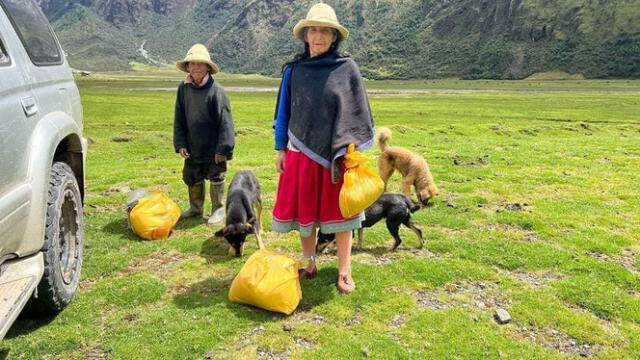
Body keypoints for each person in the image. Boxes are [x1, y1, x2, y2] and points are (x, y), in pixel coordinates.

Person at [271, 3, 375, 294]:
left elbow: (357, 112)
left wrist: (352, 153)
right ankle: (310, 262)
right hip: (299, 152)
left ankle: (344, 270)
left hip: (337, 154)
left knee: (341, 213)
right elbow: (283, 112)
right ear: (305, 35)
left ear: (333, 37)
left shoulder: (346, 69)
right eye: (313, 30)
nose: (318, 36)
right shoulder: (294, 71)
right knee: (306, 211)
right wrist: (281, 149)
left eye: (324, 31)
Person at [174, 44, 235, 225]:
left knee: (216, 176)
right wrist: (181, 143)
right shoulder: (183, 89)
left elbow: (226, 122)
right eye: (192, 64)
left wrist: (223, 148)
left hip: (214, 145)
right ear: (187, 67)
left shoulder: (217, 91)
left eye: (200, 64)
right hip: (193, 143)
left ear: (208, 67)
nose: (196, 68)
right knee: (193, 175)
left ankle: (217, 209)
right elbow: (180, 117)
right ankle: (195, 208)